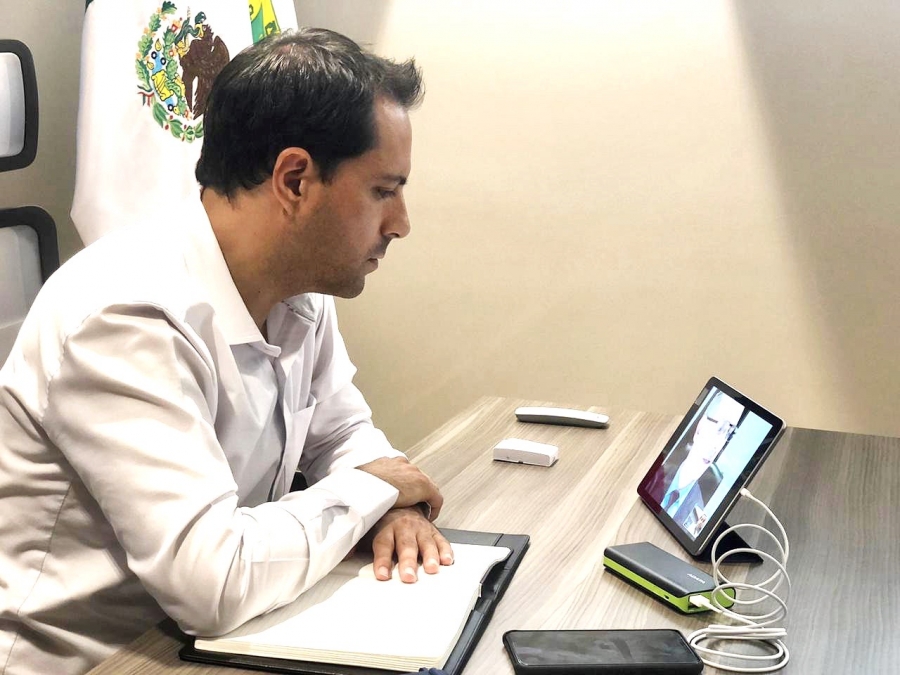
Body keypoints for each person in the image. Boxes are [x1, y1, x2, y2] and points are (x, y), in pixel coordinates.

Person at [0, 28, 452, 675]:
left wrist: (389, 502)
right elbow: (212, 582)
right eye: (384, 190)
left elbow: (344, 434)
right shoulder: (127, 313)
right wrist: (374, 490)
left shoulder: (298, 290)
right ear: (294, 179)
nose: (401, 223)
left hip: (213, 639)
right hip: (94, 661)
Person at [645, 390, 744, 531]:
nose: (717, 445)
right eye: (720, 428)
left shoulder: (698, 517)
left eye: (729, 434)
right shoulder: (654, 472)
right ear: (700, 428)